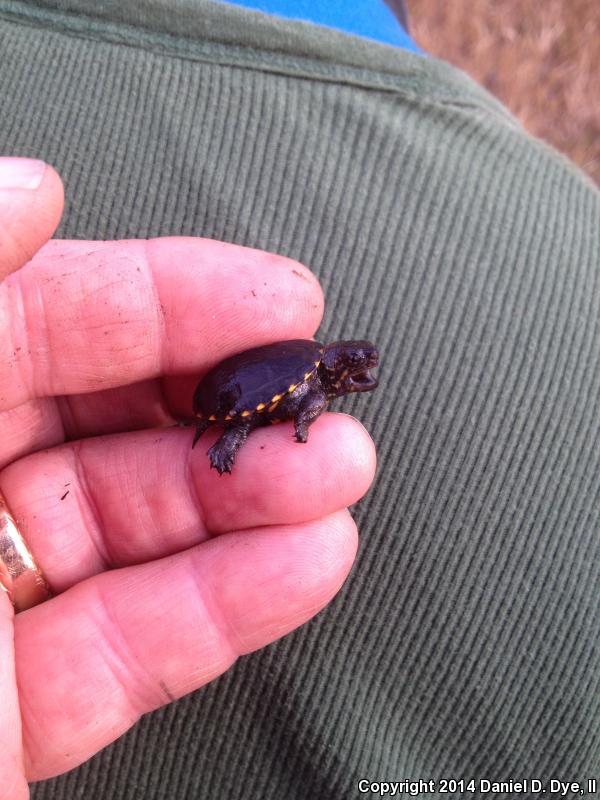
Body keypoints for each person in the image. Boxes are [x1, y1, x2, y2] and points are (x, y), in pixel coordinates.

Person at [0, 2, 598, 799]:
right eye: (353, 374)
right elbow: (283, 406)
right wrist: (238, 436)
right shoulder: (309, 384)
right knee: (253, 438)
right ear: (339, 375)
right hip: (224, 401)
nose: (352, 384)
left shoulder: (314, 375)